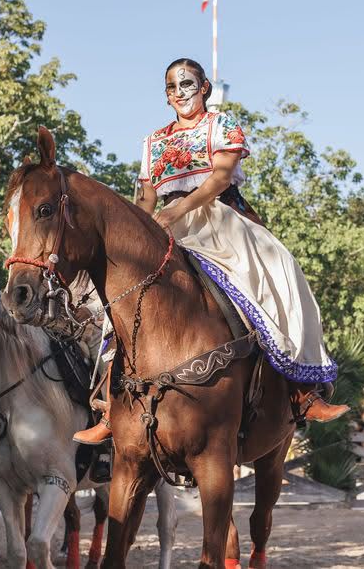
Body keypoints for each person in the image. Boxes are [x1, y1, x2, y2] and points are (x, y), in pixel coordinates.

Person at [74, 58, 349, 445]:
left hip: (218, 218)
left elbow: (220, 177)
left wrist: (179, 210)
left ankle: (301, 389)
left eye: (187, 84)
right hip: (165, 226)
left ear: (204, 87)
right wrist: (135, 232)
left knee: (278, 271)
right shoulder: (153, 142)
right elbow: (147, 196)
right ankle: (110, 403)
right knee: (121, 300)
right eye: (172, 87)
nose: (180, 93)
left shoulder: (221, 125)